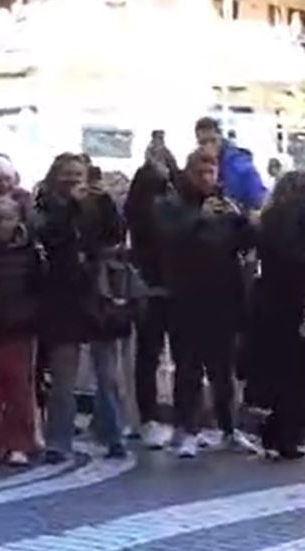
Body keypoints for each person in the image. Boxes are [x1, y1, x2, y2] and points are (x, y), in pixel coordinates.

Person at [155, 148, 257, 459]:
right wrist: (201, 219)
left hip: (223, 298)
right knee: (188, 368)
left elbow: (247, 243)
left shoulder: (224, 204)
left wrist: (242, 220)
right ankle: (186, 429)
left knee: (222, 369)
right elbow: (170, 237)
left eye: (211, 172)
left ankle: (228, 428)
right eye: (201, 172)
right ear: (188, 173)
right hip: (186, 297)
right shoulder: (171, 204)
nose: (207, 178)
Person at [35, 153, 129, 464]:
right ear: (55, 176)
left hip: (96, 294)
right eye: (67, 173)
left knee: (107, 375)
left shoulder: (96, 203)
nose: (74, 179)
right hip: (63, 298)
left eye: (79, 173)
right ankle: (58, 442)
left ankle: (113, 435)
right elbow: (51, 237)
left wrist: (107, 204)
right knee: (64, 378)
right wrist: (72, 206)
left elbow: (114, 235)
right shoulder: (45, 206)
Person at [243, 171, 305, 460]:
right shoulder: (304, 219)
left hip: (268, 301)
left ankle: (271, 432)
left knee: (276, 370)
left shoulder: (268, 218)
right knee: (299, 372)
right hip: (299, 300)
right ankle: (289, 434)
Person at [0, 195, 44, 467]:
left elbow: (38, 289)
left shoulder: (30, 255)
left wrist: (30, 315)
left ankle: (19, 442)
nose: (4, 225)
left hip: (18, 328)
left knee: (18, 389)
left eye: (9, 218)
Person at [124, 138, 180, 449]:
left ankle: (150, 418)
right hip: (158, 285)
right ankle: (151, 417)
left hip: (155, 284)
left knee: (151, 355)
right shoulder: (155, 203)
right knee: (154, 355)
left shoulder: (147, 200)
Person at [194, 117, 267, 211]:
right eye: (203, 143)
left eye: (213, 141)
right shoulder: (195, 167)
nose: (209, 146)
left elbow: (258, 200)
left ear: (220, 137)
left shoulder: (240, 166)